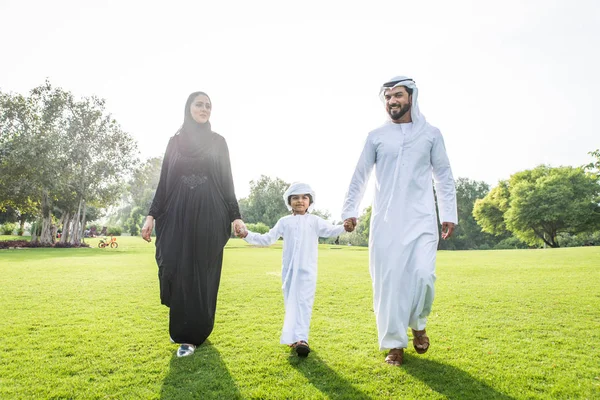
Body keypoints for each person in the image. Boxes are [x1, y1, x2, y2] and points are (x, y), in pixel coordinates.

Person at [342, 76, 457, 366]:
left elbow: (443, 174)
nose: (392, 101)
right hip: (387, 221)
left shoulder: (431, 134)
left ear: (411, 98)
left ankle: (418, 324)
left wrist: (448, 214)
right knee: (389, 283)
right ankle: (395, 344)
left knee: (423, 275)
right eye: (388, 97)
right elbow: (360, 175)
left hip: (421, 219)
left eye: (398, 96)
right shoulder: (376, 136)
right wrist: (349, 211)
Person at [141, 91, 246, 358]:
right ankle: (184, 331)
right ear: (188, 108)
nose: (204, 109)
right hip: (177, 215)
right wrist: (151, 215)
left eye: (208, 106)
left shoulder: (218, 142)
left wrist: (236, 216)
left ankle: (192, 336)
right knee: (176, 267)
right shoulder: (174, 143)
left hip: (209, 216)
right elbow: (164, 182)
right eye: (199, 104)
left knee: (201, 273)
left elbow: (227, 181)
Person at [238, 182, 348, 357]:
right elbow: (267, 239)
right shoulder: (284, 222)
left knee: (304, 303)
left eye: (304, 197)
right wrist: (247, 235)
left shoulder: (315, 221)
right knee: (291, 303)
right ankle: (293, 337)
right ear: (289, 201)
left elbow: (331, 230)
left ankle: (302, 339)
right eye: (295, 198)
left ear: (310, 201)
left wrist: (345, 226)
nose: (300, 201)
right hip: (289, 272)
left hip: (307, 271)